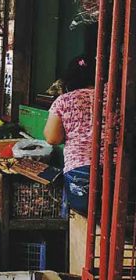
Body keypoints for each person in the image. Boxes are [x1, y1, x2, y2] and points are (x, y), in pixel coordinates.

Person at [44, 55, 96, 216]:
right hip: (116, 171)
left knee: (81, 215)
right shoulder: (117, 98)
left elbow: (52, 138)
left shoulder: (64, 101)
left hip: (80, 170)